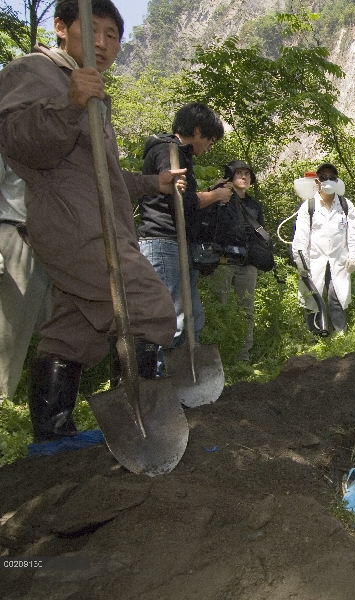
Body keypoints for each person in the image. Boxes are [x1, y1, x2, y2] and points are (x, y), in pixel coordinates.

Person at [0, 0, 184, 441]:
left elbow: (100, 176)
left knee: (73, 330)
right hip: (74, 227)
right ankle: (140, 430)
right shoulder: (34, 71)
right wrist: (69, 103)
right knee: (148, 305)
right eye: (92, 30)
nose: (102, 44)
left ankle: (54, 437)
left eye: (112, 35)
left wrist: (151, 184)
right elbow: (20, 141)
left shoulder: (87, 87)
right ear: (61, 27)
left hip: (98, 223)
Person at [138, 103, 228, 358]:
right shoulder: (168, 152)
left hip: (177, 241)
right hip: (162, 241)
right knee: (169, 319)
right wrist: (215, 195)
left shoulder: (179, 154)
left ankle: (185, 382)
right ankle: (156, 378)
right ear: (198, 131)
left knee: (190, 317)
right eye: (210, 140)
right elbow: (182, 203)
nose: (209, 147)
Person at [0, 154, 52, 400]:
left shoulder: (48, 142)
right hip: (15, 233)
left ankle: (44, 401)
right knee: (11, 331)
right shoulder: (7, 138)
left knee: (53, 324)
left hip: (48, 238)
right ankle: (3, 401)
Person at [292, 162, 355, 335]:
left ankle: (339, 336)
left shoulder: (346, 206)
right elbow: (301, 236)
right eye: (324, 177)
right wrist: (301, 262)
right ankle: (314, 336)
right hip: (314, 260)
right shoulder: (309, 206)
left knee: (337, 297)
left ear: (337, 181)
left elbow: (352, 234)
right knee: (313, 298)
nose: (328, 180)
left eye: (332, 177)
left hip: (339, 260)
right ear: (317, 181)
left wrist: (354, 257)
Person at [213, 160, 264, 361]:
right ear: (230, 177)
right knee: (220, 307)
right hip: (223, 261)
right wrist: (216, 190)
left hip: (247, 263)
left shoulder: (255, 206)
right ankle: (220, 356)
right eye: (239, 173)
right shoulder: (220, 199)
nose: (243, 177)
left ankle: (243, 357)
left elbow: (261, 233)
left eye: (247, 174)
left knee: (247, 310)